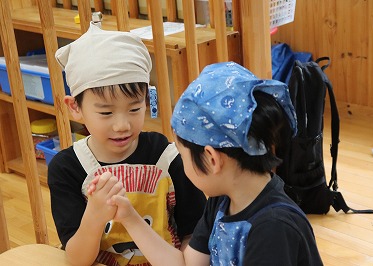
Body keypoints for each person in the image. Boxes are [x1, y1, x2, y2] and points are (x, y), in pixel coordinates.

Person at [88, 62, 324, 265]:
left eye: (182, 154)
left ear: (211, 159)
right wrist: (129, 217)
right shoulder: (224, 201)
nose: (182, 164)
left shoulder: (273, 228)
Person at [48, 22, 206, 266]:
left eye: (134, 108)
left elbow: (193, 236)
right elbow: (77, 259)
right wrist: (94, 215)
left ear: (146, 101)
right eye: (106, 113)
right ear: (75, 107)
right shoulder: (67, 168)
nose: (122, 125)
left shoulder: (167, 157)